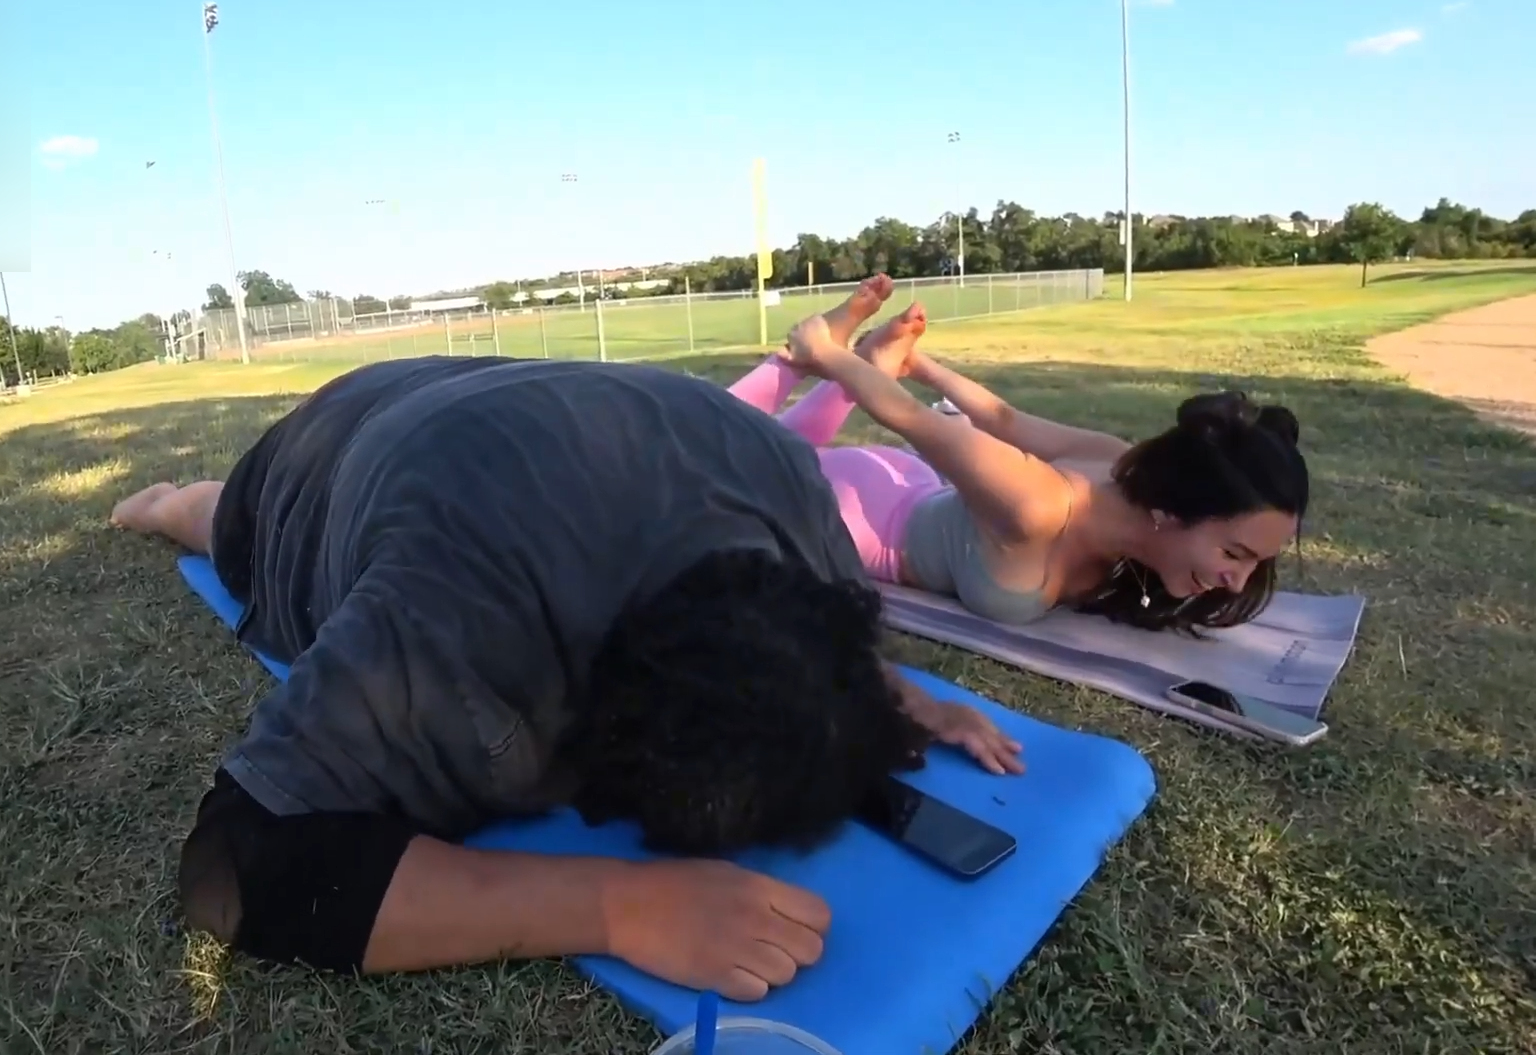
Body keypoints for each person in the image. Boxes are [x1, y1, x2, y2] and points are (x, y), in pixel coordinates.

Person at [109, 340, 1024, 1002]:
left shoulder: (790, 483)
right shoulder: (452, 623)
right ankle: (164, 503)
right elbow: (238, 863)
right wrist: (619, 906)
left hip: (489, 395)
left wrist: (873, 696)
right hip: (319, 455)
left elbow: (821, 626)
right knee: (221, 524)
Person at [751, 284, 1309, 633]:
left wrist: (920, 365)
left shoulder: (1114, 463)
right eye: (1234, 554)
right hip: (862, 517)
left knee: (779, 445)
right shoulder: (1037, 506)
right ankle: (802, 361)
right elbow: (910, 417)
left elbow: (1005, 420)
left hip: (915, 486)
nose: (1238, 582)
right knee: (747, 451)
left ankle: (872, 356)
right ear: (1170, 510)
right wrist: (824, 354)